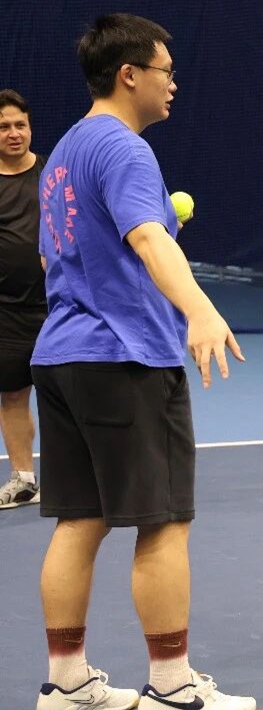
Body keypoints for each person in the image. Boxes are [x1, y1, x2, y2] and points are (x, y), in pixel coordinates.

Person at [30, 14, 254, 710]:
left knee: (80, 520)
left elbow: (62, 253)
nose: (173, 83)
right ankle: (173, 688)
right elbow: (151, 240)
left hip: (61, 357)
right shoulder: (126, 150)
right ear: (129, 75)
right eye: (165, 71)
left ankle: (66, 685)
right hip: (124, 359)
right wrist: (200, 310)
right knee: (164, 524)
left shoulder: (62, 154)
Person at [0, 89, 46, 509]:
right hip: (7, 313)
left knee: (72, 393)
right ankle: (24, 480)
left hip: (61, 308)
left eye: (20, 125)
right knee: (13, 395)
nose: (14, 133)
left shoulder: (52, 175)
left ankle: (83, 475)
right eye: (3, 127)